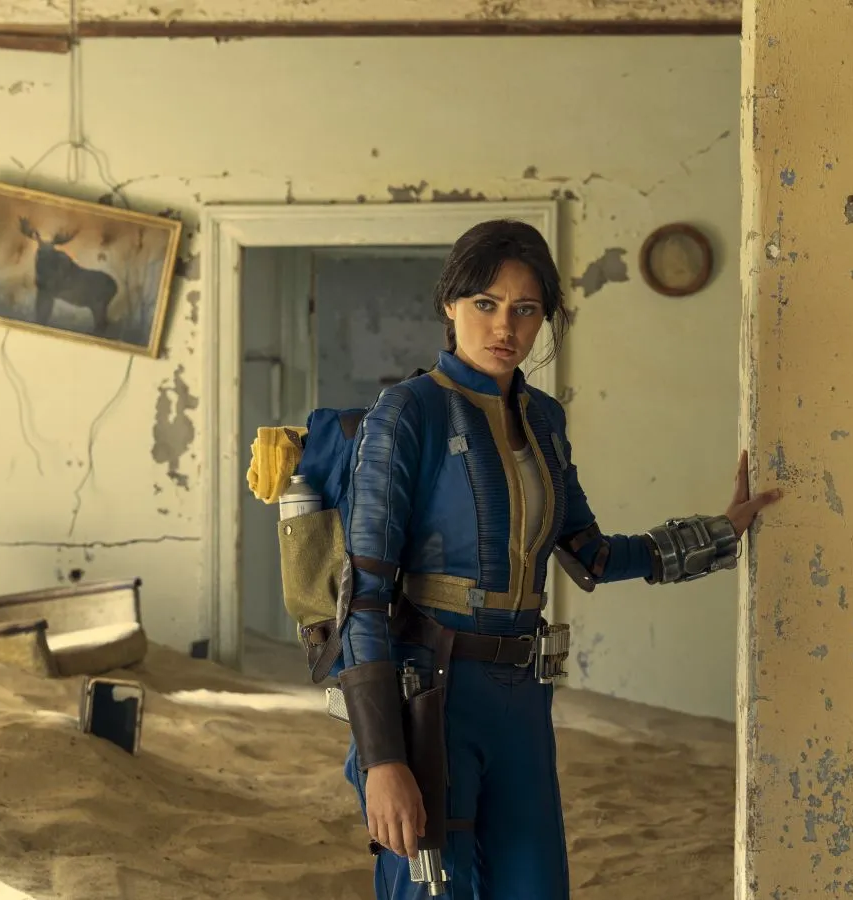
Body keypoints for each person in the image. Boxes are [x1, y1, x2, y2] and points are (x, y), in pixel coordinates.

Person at [334, 219, 782, 900]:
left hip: (521, 698)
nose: (503, 327)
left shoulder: (543, 419)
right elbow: (363, 597)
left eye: (525, 308)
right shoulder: (406, 414)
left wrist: (719, 532)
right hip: (432, 693)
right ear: (449, 304)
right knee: (433, 891)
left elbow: (590, 554)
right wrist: (382, 760)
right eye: (484, 304)